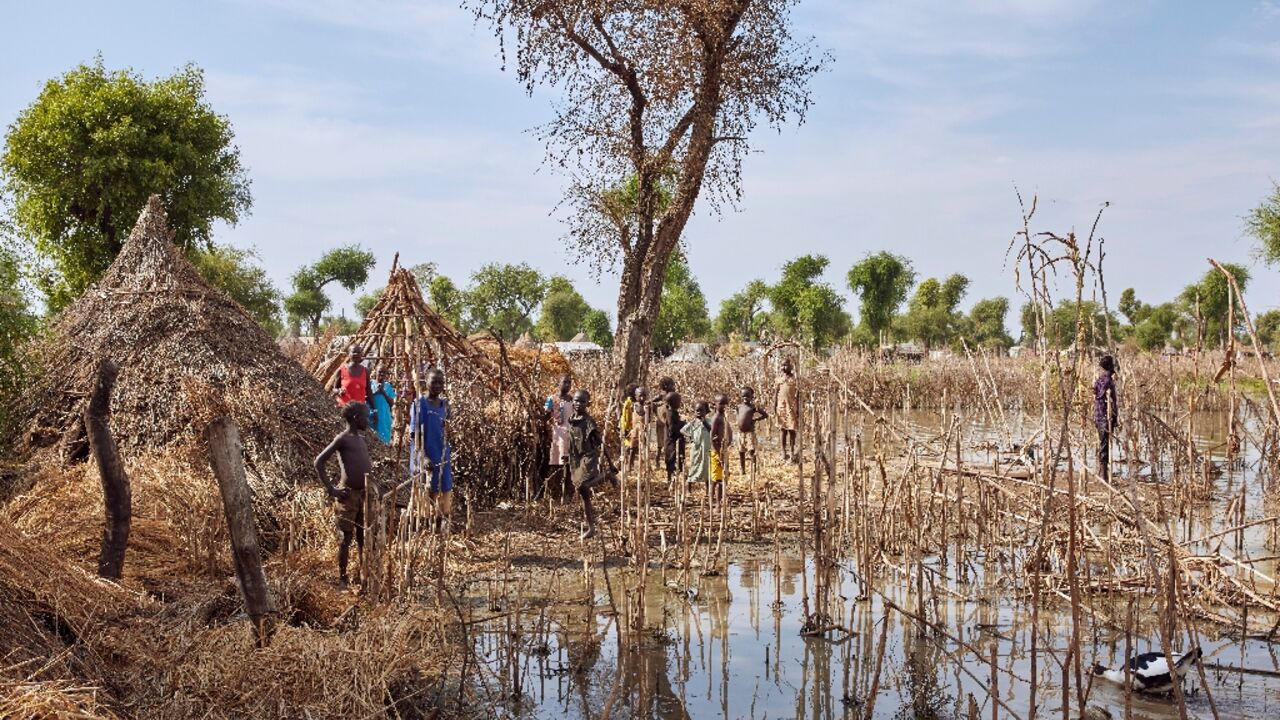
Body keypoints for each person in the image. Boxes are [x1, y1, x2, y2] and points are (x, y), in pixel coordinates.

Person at [314, 401, 372, 590]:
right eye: (366, 416)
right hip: (347, 496)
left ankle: (364, 576)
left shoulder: (361, 439)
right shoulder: (343, 439)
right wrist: (332, 489)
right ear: (356, 419)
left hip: (364, 495)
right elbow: (319, 462)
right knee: (346, 538)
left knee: (363, 536)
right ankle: (343, 578)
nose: (368, 420)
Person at [411, 368, 454, 530]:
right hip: (426, 458)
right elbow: (414, 436)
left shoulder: (444, 405)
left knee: (444, 494)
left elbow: (447, 430)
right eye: (434, 382)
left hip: (442, 457)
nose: (437, 385)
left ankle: (440, 532)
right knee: (426, 496)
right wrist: (424, 457)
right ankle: (426, 532)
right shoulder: (418, 405)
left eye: (441, 382)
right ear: (426, 383)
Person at [567, 389, 613, 539]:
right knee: (584, 494)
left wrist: (610, 464)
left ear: (588, 403)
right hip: (576, 459)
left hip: (588, 457)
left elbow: (600, 443)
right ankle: (591, 527)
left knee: (583, 486)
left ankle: (607, 475)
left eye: (582, 401)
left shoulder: (588, 422)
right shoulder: (572, 419)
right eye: (576, 400)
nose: (578, 404)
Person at [1095, 354, 1119, 477]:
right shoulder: (1108, 381)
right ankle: (1104, 474)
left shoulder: (1099, 379)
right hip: (1106, 417)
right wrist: (1114, 417)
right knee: (1104, 445)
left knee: (1103, 444)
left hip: (1099, 416)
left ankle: (1102, 471)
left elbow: (1096, 393)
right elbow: (1108, 399)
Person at [736, 386, 769, 474]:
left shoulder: (753, 407)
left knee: (752, 451)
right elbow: (739, 415)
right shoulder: (739, 406)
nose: (745, 398)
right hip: (740, 433)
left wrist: (756, 419)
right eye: (743, 396)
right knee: (741, 452)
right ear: (741, 396)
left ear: (751, 397)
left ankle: (753, 470)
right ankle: (742, 470)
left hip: (749, 433)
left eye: (747, 396)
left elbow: (765, 415)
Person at [682, 400, 712, 487]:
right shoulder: (693, 423)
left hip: (706, 449)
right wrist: (689, 437)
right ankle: (689, 488)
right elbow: (683, 430)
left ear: (706, 412)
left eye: (701, 410)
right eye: (697, 410)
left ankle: (707, 489)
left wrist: (704, 422)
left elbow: (711, 430)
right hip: (696, 448)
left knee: (706, 467)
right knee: (694, 466)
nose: (699, 412)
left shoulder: (709, 421)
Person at [775, 357, 799, 462]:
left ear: (791, 366)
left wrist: (798, 408)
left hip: (792, 408)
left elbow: (798, 395)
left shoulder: (794, 380)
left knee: (792, 430)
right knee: (782, 430)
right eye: (782, 365)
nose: (784, 367)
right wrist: (774, 406)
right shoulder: (779, 379)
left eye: (786, 365)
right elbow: (775, 394)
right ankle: (783, 452)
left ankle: (792, 451)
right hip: (781, 408)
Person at [709, 395, 731, 503]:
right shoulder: (716, 418)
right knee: (718, 479)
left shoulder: (723, 416)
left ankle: (717, 500)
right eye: (721, 404)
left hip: (723, 450)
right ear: (715, 405)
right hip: (717, 451)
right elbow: (712, 437)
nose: (724, 406)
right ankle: (716, 503)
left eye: (726, 404)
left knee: (722, 477)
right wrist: (720, 453)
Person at [651, 376, 677, 467]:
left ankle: (667, 460)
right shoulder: (662, 395)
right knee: (659, 443)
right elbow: (652, 401)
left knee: (667, 443)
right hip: (661, 421)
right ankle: (657, 460)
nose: (674, 386)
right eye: (672, 385)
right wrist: (654, 407)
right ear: (665, 386)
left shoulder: (672, 395)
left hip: (667, 421)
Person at [369, 366, 397, 444]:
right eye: (380, 372)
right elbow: (365, 397)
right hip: (372, 415)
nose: (382, 374)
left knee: (384, 440)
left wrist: (383, 392)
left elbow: (392, 403)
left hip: (384, 417)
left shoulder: (388, 386)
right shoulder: (370, 384)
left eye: (384, 372)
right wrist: (375, 392)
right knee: (372, 438)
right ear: (375, 372)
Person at [662, 392, 684, 485]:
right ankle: (670, 481)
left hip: (674, 442)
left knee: (677, 461)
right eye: (679, 401)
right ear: (673, 402)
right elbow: (672, 429)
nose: (680, 403)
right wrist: (682, 424)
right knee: (672, 461)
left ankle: (673, 480)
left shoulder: (673, 413)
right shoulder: (670, 414)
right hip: (671, 443)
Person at [625, 386, 649, 471]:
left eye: (644, 395)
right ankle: (629, 465)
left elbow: (649, 419)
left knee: (645, 448)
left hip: (644, 430)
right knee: (632, 448)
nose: (642, 398)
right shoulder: (633, 406)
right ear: (636, 396)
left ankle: (645, 467)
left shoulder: (647, 407)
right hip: (635, 430)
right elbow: (627, 418)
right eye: (640, 396)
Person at [619, 383, 637, 467]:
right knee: (629, 447)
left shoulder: (633, 402)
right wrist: (626, 430)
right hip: (628, 428)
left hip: (631, 428)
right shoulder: (628, 403)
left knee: (633, 447)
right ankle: (623, 464)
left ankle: (630, 464)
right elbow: (626, 418)